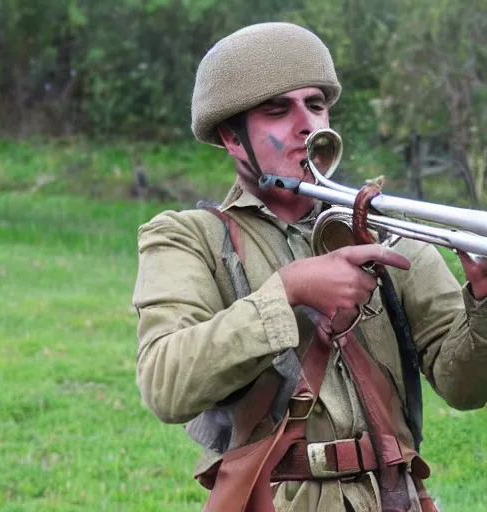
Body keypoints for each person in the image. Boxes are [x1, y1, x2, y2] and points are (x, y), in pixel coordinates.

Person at [132, 22, 487, 512]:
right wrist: (288, 292)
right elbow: (165, 384)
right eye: (278, 111)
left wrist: (484, 303)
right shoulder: (187, 237)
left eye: (316, 105)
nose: (308, 124)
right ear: (232, 139)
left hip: (395, 498)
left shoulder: (386, 228)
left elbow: (465, 388)